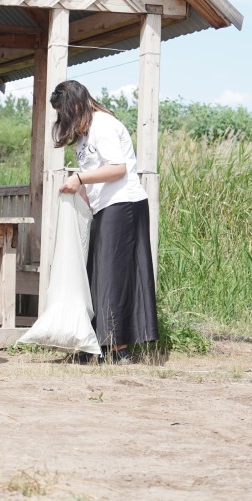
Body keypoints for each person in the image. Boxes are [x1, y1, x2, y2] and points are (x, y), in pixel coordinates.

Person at [51, 80, 158, 363]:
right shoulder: (85, 135)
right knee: (96, 274)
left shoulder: (103, 125)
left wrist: (80, 179)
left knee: (113, 276)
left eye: (63, 111)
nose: (63, 119)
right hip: (105, 208)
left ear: (75, 105)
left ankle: (117, 347)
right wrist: (79, 194)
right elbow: (94, 175)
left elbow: (117, 168)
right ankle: (97, 345)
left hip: (124, 204)